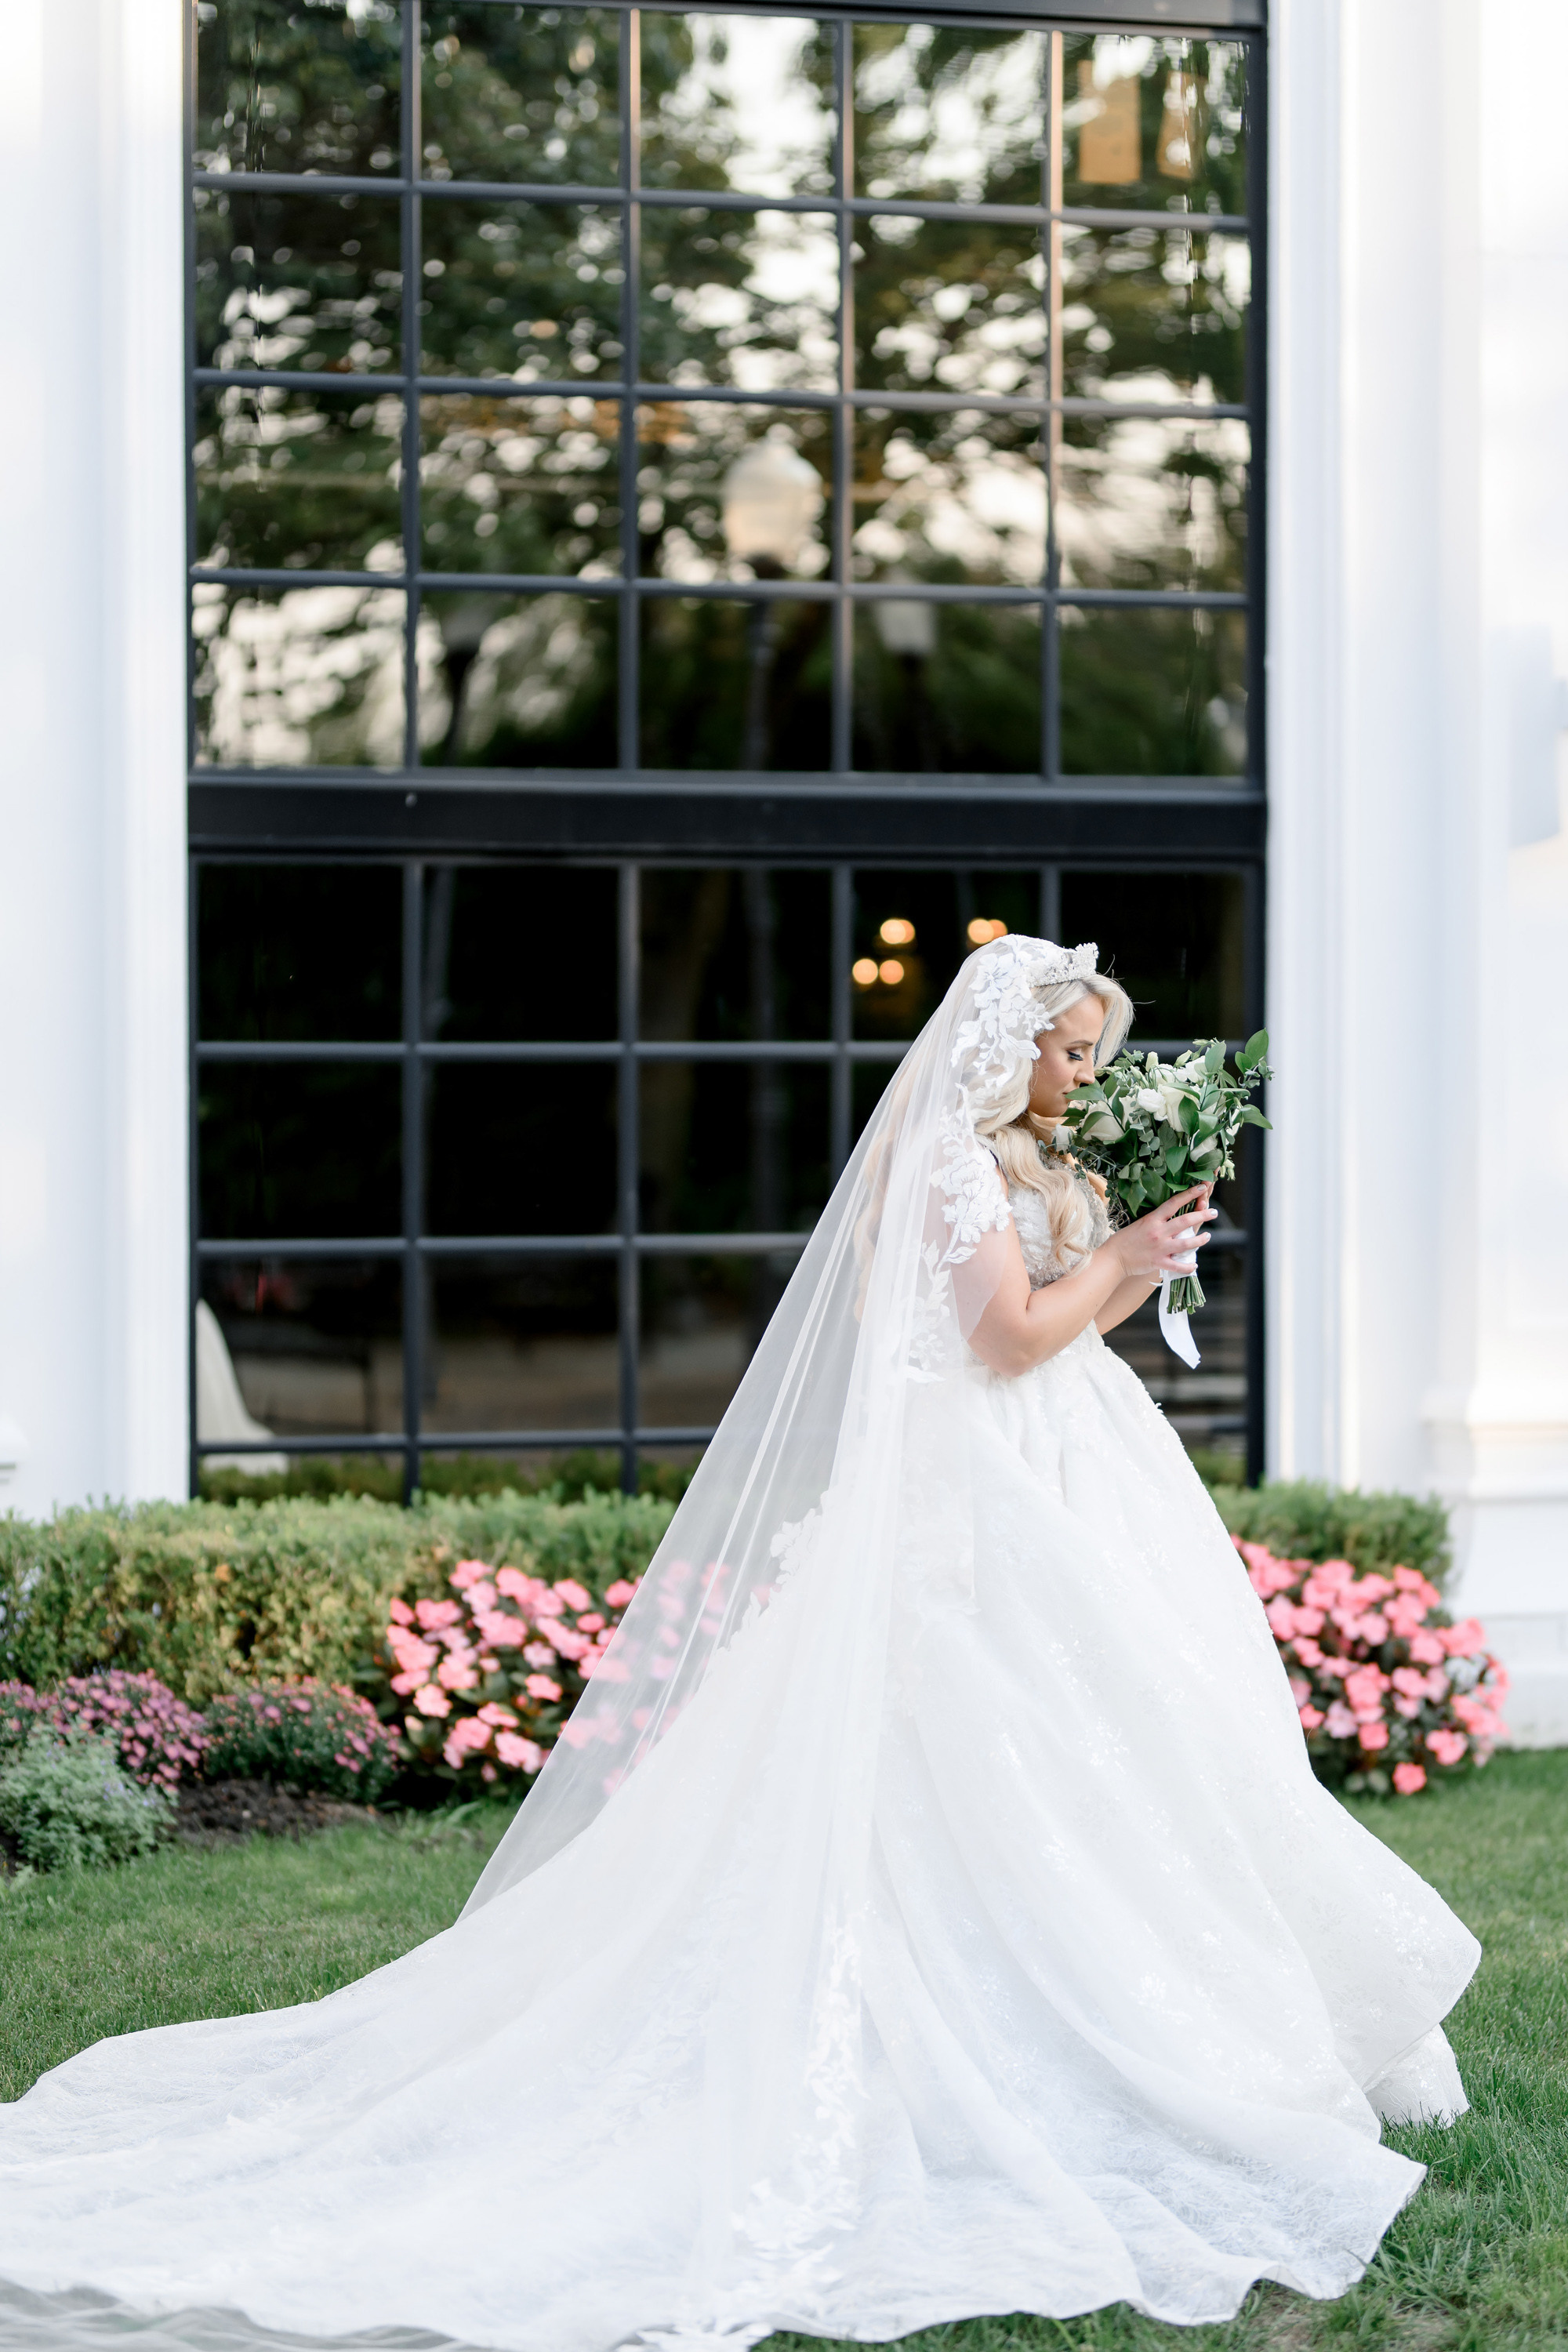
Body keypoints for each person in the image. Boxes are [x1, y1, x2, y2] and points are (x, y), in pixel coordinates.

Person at [0, 937, 1477, 2352]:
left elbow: (1068, 1331)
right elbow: (1011, 1339)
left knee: (1137, 1730)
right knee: (989, 1736)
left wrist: (1139, 1241)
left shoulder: (1033, 1149)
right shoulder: (949, 1159)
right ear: (1007, 1043)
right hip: (982, 1491)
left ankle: (1206, 2016)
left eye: (1099, 1056)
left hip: (1076, 1470)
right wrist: (1135, 1258)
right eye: (1071, 1052)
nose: (1086, 1077)